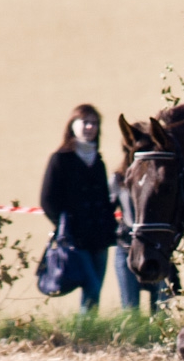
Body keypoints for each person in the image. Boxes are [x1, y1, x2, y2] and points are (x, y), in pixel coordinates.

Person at [39, 104, 117, 313]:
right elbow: (47, 200)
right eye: (85, 122)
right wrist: (64, 225)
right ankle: (83, 337)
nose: (90, 127)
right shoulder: (60, 159)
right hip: (75, 239)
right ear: (72, 125)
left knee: (96, 289)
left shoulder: (98, 161)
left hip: (100, 237)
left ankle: (88, 337)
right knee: (91, 287)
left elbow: (102, 200)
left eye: (94, 123)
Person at [109, 170, 171, 314]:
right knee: (130, 311)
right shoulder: (118, 179)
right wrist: (117, 232)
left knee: (161, 311)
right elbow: (105, 211)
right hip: (126, 249)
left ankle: (156, 337)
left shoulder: (158, 176)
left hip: (155, 249)